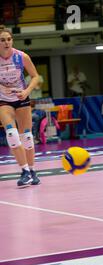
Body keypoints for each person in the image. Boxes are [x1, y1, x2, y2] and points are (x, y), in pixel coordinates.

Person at [0, 27, 41, 187]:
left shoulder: (21, 56)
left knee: (28, 138)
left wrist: (27, 91)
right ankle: (24, 171)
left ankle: (32, 171)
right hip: (4, 101)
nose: (6, 42)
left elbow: (36, 76)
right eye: (2, 40)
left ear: (12, 41)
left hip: (21, 98)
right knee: (11, 134)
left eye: (8, 39)